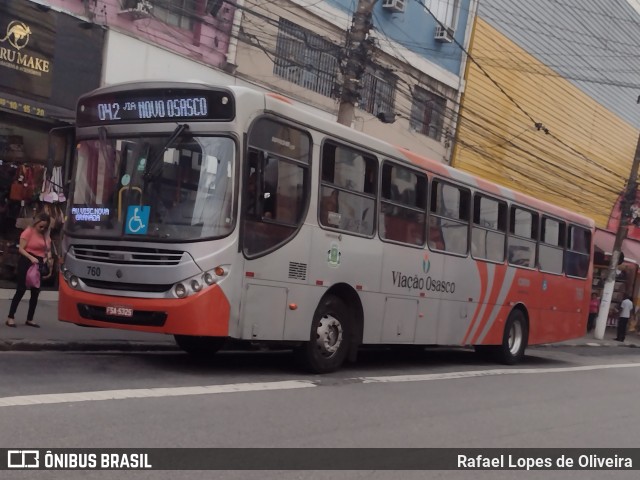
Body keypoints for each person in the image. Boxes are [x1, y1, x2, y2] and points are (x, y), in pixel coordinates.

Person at [6, 212, 53, 328]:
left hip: (39, 262)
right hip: (27, 260)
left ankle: (30, 318)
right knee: (21, 289)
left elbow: (47, 249)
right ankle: (10, 317)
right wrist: (31, 257)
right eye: (40, 226)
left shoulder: (46, 235)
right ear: (36, 223)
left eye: (45, 227)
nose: (42, 229)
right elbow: (21, 249)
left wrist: (48, 257)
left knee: (35, 291)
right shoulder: (29, 232)